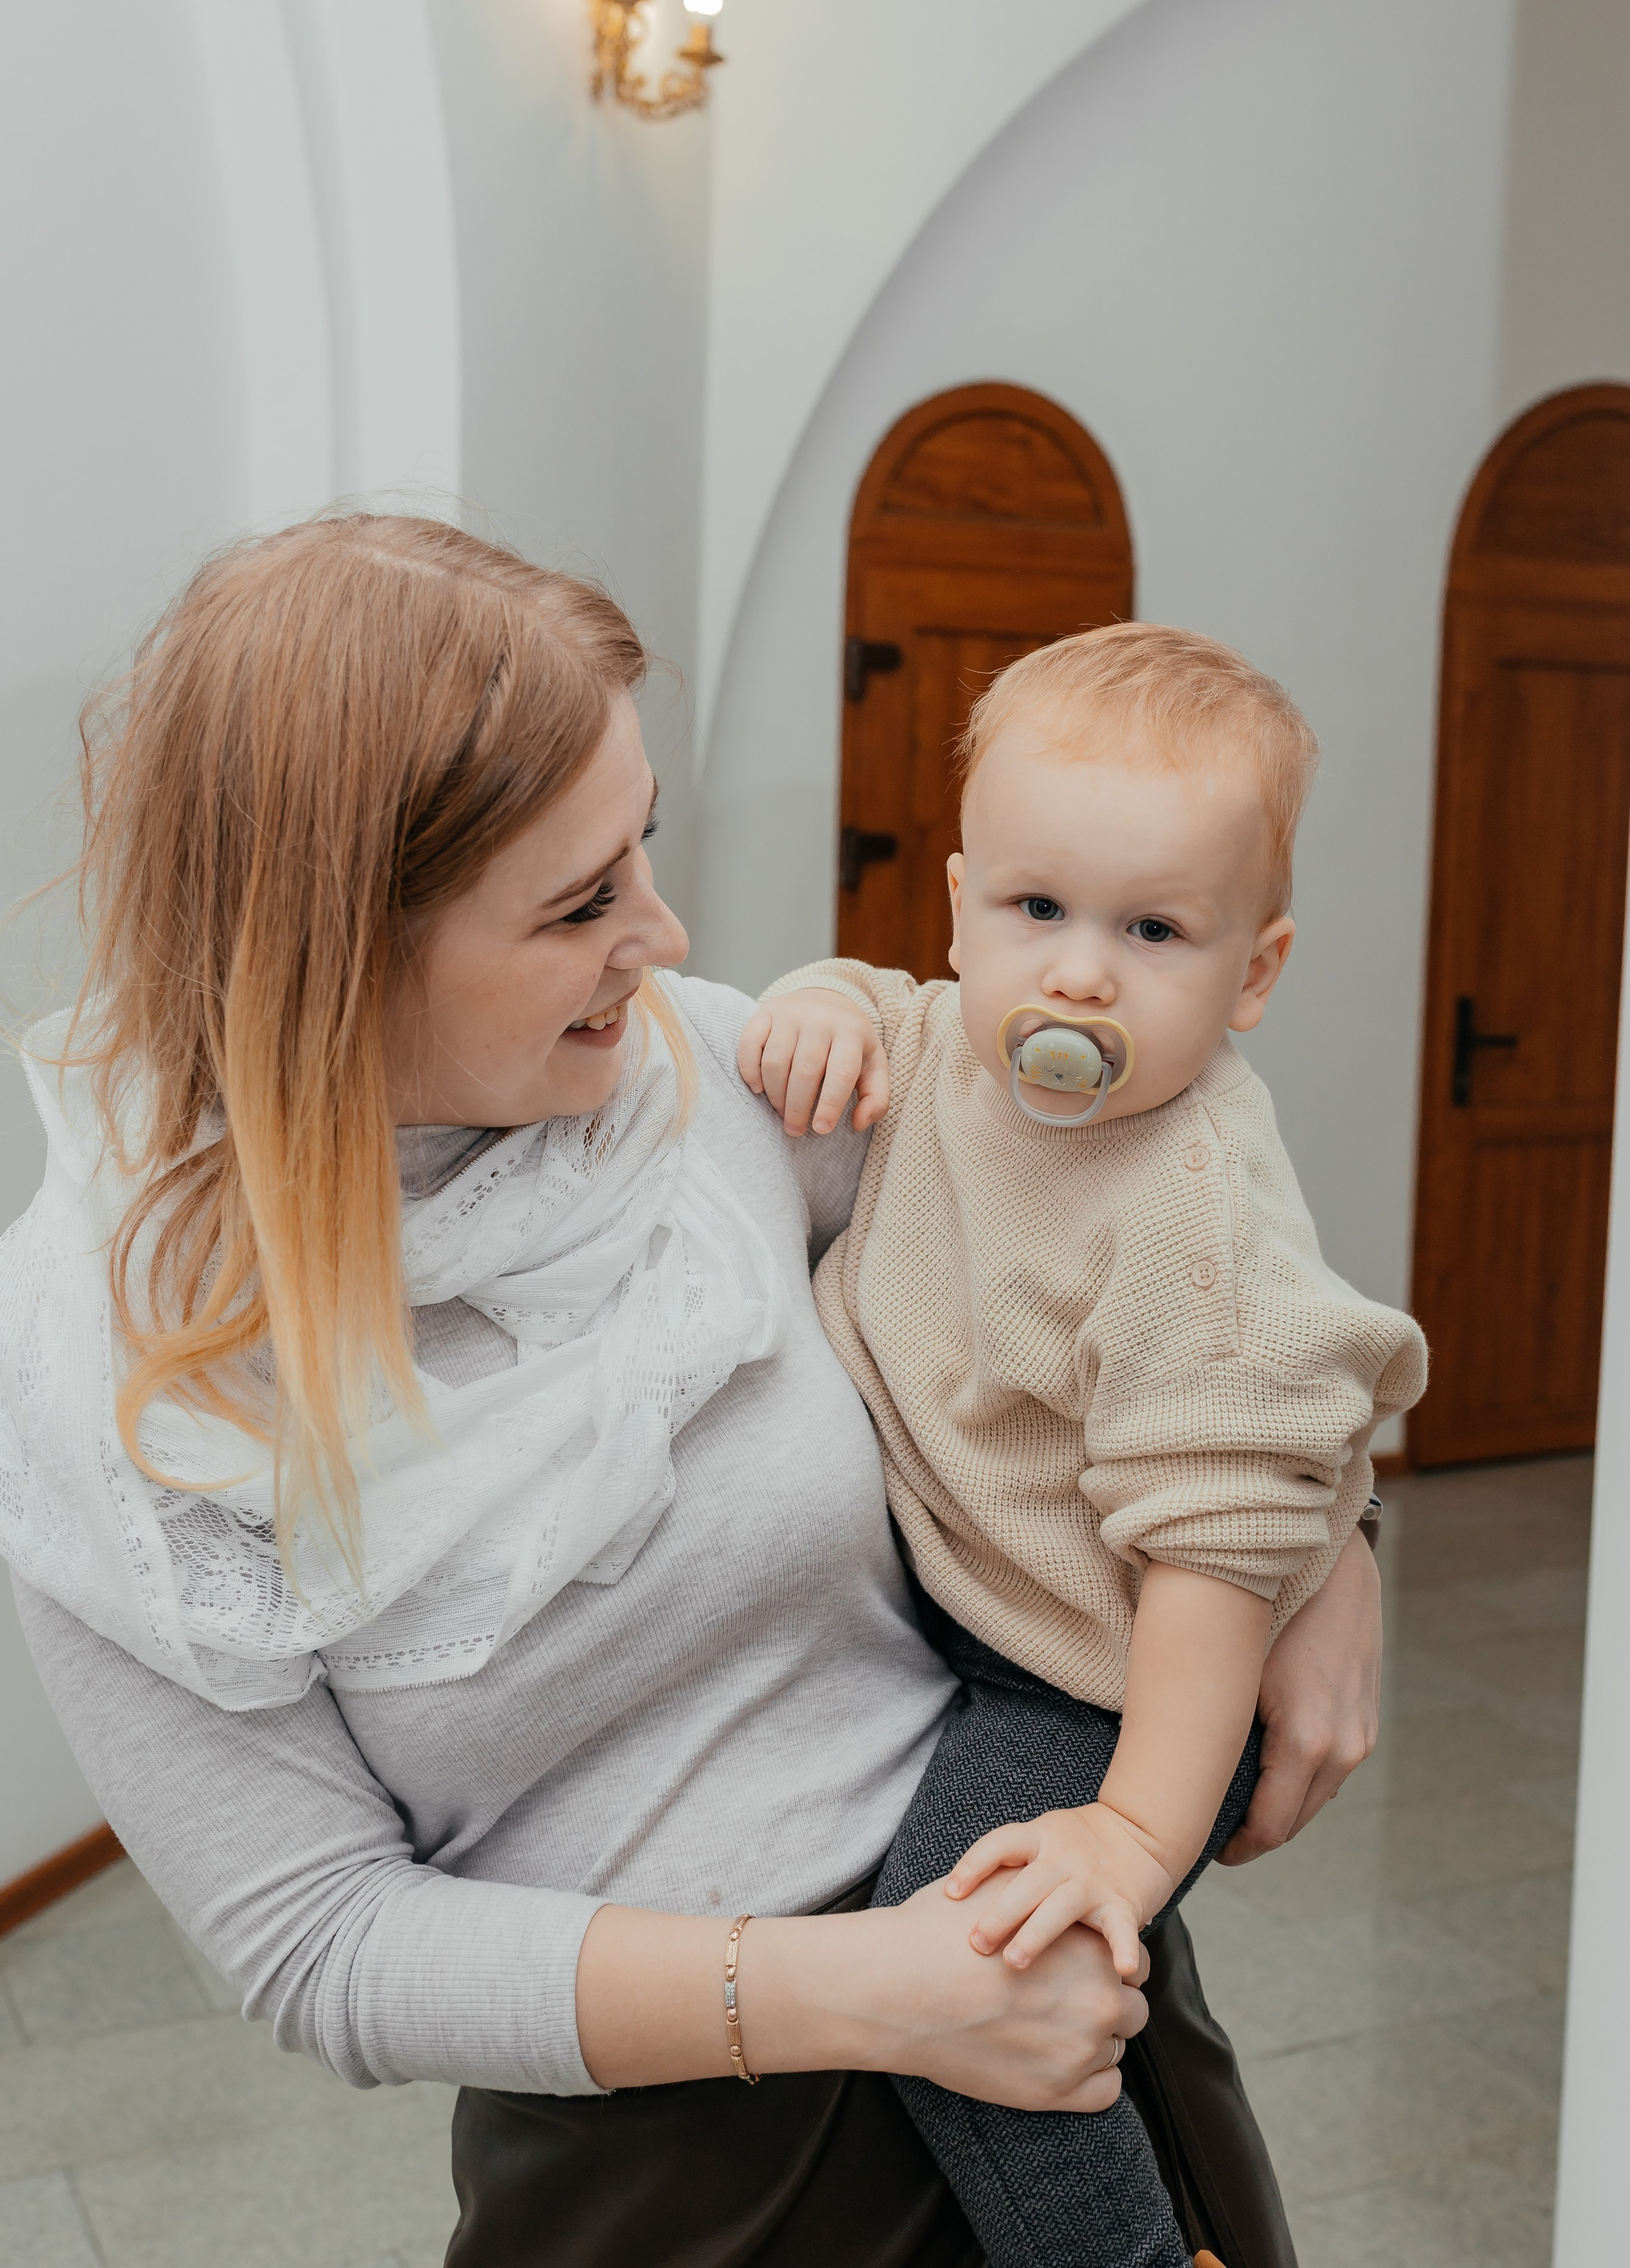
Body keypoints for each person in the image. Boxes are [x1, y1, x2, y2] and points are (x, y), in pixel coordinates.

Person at [0, 527, 1381, 2268]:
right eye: (579, 903)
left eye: (639, 843)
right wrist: (876, 1995)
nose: (663, 933)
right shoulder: (111, 1388)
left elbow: (1151, 1287)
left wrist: (1334, 1551)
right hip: (684, 2185)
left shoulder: (709, 1084)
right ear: (336, 945)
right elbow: (322, 1946)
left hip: (1061, 2036)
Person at [740, 625, 1427, 2268]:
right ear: (961, 900)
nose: (1077, 977)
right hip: (1010, 1625)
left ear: (1252, 973)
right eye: (1036, 911)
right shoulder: (941, 1053)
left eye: (1155, 932)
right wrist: (808, 1003)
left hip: (1125, 1680)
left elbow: (1208, 1561)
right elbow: (878, 1015)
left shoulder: (1192, 1207)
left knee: (978, 1946)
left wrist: (1131, 1833)